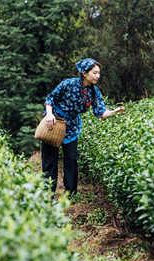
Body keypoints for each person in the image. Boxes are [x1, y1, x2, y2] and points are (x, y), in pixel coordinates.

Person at [41, 58, 124, 196]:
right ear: (84, 73)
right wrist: (49, 114)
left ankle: (70, 196)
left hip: (72, 128)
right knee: (50, 162)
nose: (98, 76)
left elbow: (100, 113)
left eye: (99, 73)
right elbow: (50, 99)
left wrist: (113, 112)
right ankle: (47, 195)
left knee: (71, 161)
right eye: (95, 73)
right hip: (54, 123)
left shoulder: (94, 91)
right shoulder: (68, 84)